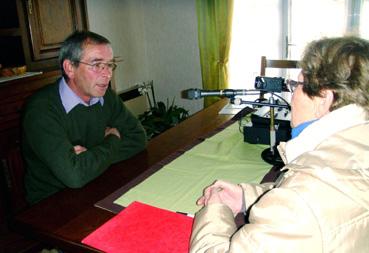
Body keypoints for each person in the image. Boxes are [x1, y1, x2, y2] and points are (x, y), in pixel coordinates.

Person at [190, 36, 369, 252]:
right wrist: (246, 197)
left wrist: (215, 209)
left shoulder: (301, 202)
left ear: (324, 98)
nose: (292, 95)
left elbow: (301, 205)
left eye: (297, 85)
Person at [22, 31, 147, 204]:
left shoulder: (105, 97)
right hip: (52, 204)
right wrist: (112, 138)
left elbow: (138, 138)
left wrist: (91, 160)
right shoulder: (41, 110)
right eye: (97, 65)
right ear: (70, 68)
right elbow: (75, 176)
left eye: (110, 65)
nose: (107, 74)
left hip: (95, 185)